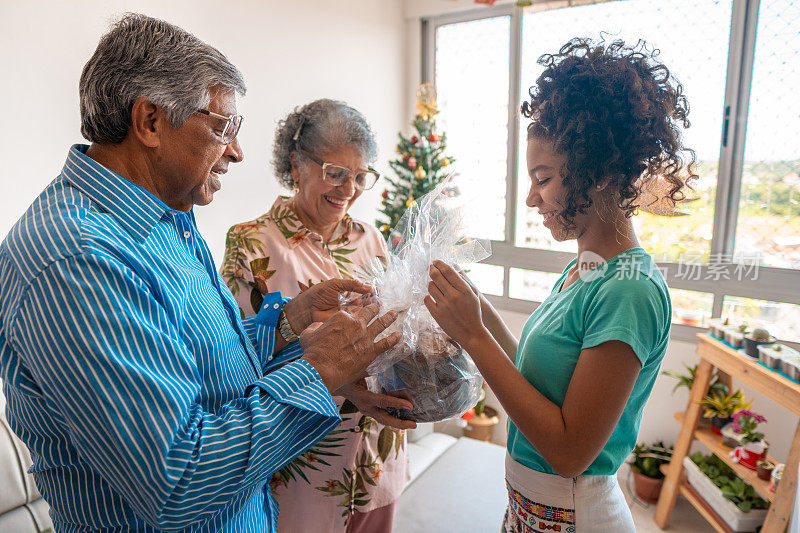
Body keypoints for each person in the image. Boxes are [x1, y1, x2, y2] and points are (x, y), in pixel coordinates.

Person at [0, 14, 401, 532]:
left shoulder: (170, 219)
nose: (236, 152)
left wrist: (288, 322)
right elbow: (180, 481)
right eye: (222, 127)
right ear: (150, 122)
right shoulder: (76, 258)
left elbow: (207, 370)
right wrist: (321, 372)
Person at [425, 38, 695, 532]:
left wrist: (473, 336)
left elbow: (570, 452)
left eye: (543, 178)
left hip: (574, 514)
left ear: (595, 173)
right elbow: (535, 380)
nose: (531, 199)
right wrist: (475, 308)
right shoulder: (584, 272)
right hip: (532, 508)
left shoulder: (628, 291)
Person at [221, 99, 412, 533]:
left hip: (378, 455)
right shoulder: (252, 244)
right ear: (296, 164)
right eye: (335, 172)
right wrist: (343, 382)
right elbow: (235, 361)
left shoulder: (372, 240)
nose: (350, 188)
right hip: (305, 467)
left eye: (361, 176)